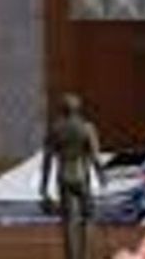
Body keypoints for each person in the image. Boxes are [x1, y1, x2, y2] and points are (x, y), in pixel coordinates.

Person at [40, 94, 105, 259]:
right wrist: (101, 176)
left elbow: (47, 159)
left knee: (68, 221)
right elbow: (95, 156)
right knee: (87, 217)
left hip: (63, 175)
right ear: (78, 109)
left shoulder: (55, 129)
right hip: (81, 175)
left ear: (62, 109)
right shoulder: (87, 128)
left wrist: (44, 184)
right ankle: (85, 255)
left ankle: (71, 256)